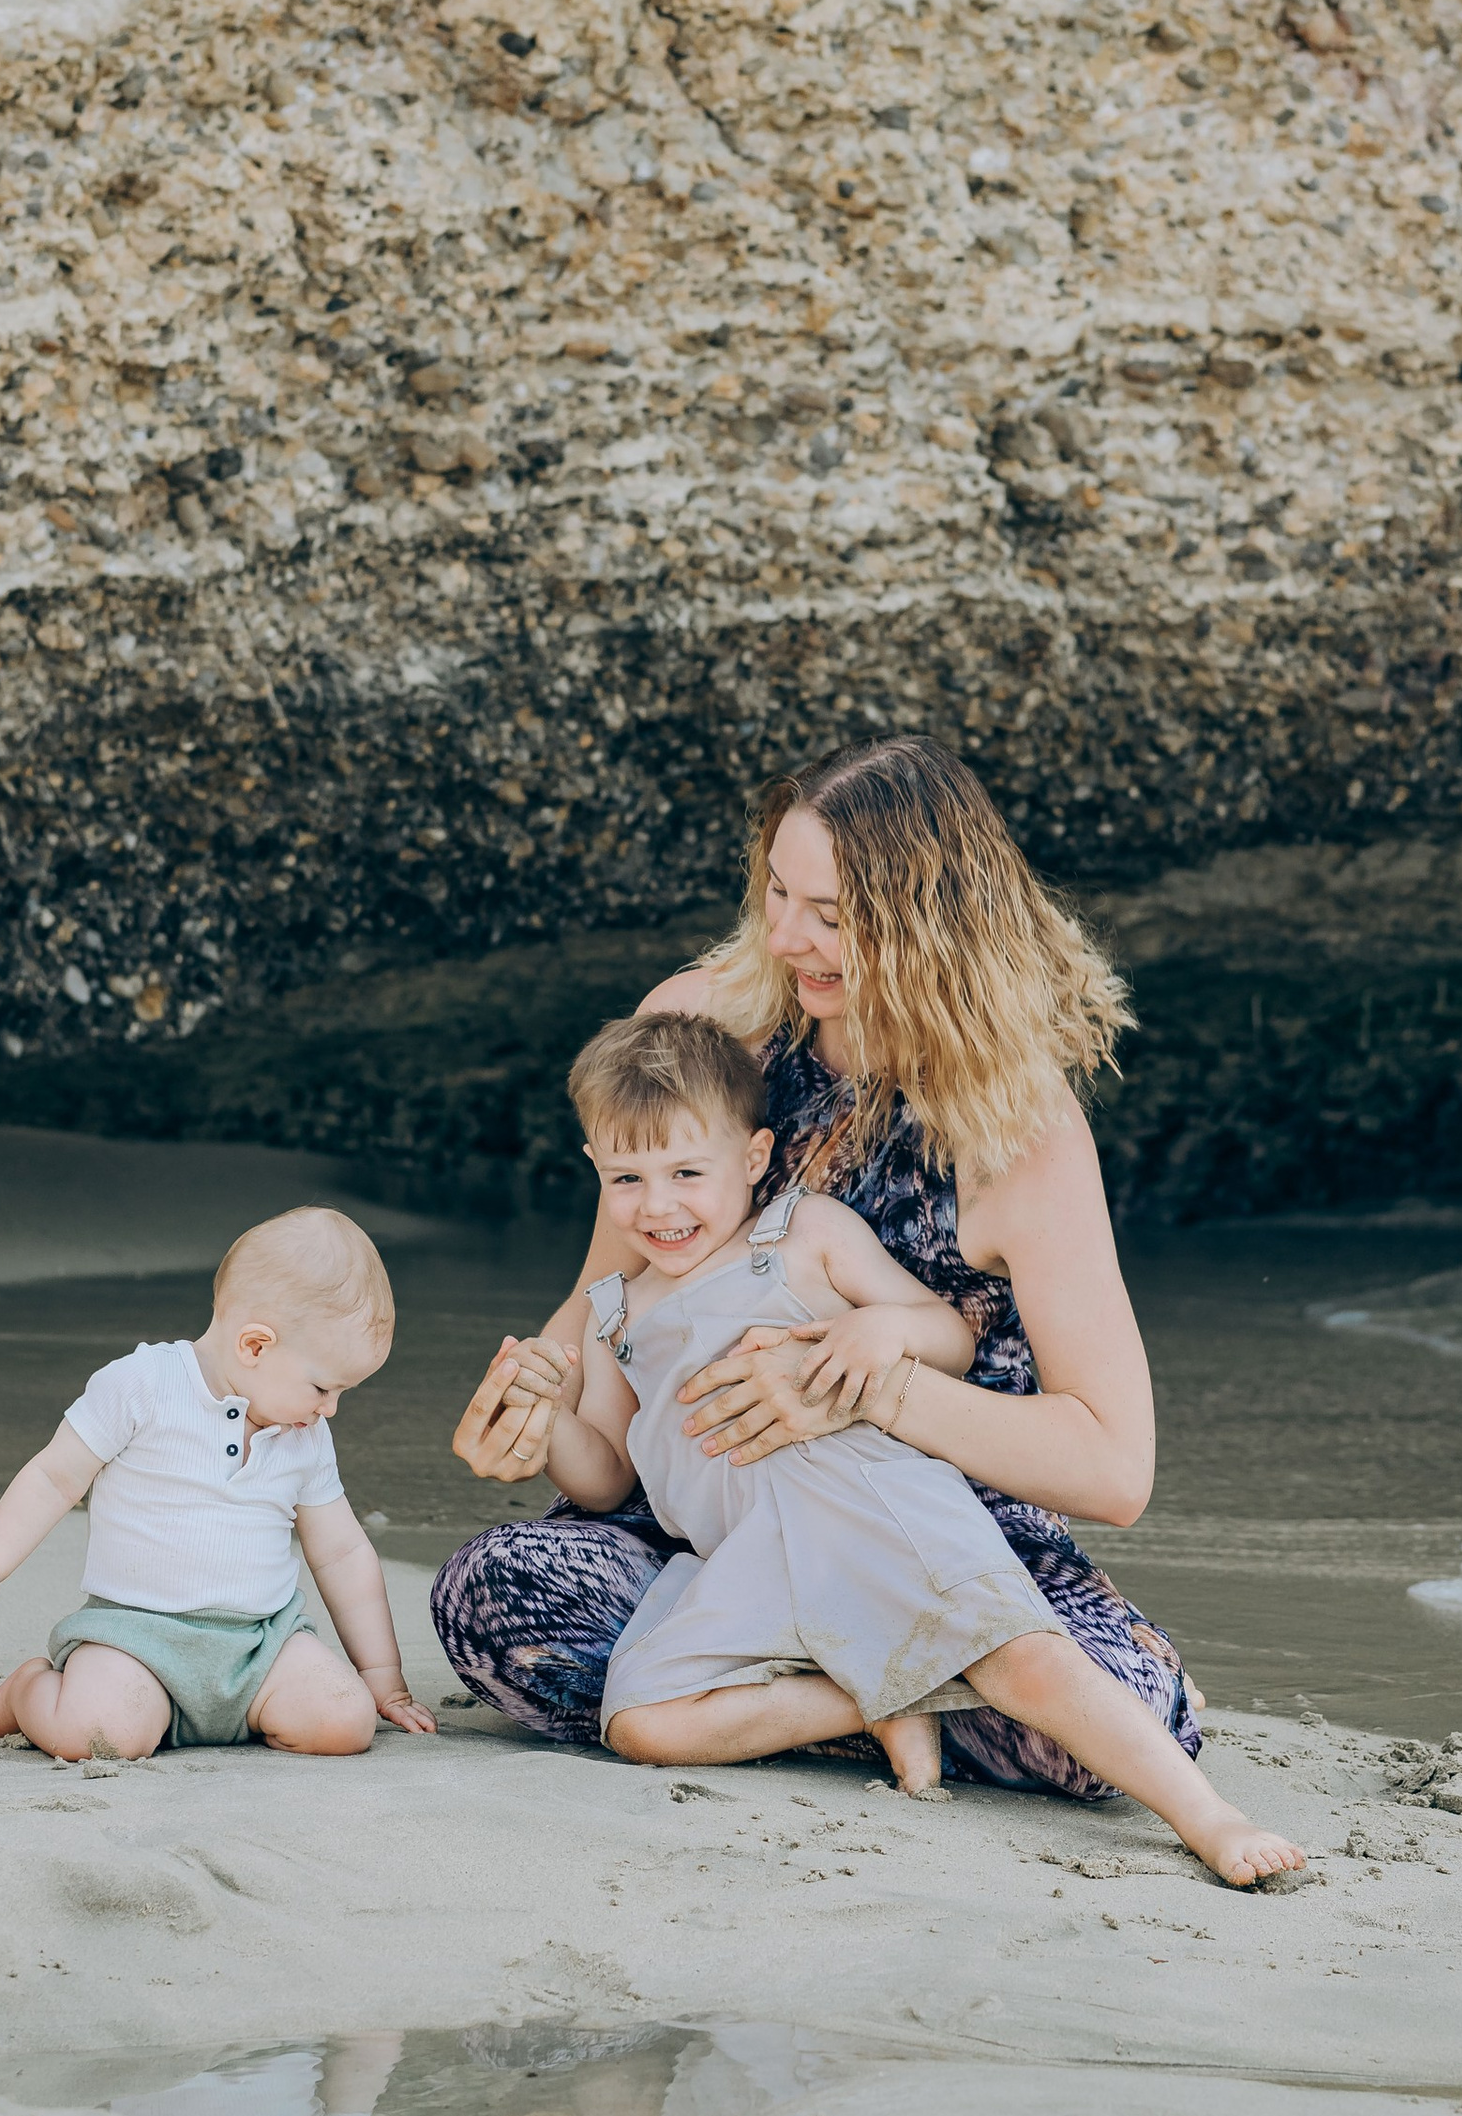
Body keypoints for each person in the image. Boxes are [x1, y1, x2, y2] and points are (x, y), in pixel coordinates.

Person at [434, 736, 1273, 1849]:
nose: (785, 937)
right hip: (701, 1529)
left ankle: (870, 1682)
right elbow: (607, 1288)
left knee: (1126, 1718)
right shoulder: (706, 1021)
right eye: (777, 892)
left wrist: (863, 1390)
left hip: (921, 1530)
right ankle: (897, 1696)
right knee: (493, 1599)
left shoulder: (1015, 1131)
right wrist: (530, 1406)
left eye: (829, 914)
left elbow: (1112, 1468)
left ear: (930, 922)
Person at [538, 1011, 1300, 1880]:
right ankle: (870, 1699)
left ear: (752, 1160)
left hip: (877, 1509)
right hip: (746, 1559)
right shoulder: (614, 1317)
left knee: (1028, 1663)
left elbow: (949, 1334)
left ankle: (1209, 1818)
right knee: (640, 1721)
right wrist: (550, 1426)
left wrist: (875, 1335)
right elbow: (602, 1479)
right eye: (627, 1177)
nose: (659, 1204)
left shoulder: (803, 1236)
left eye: (686, 1172)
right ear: (594, 1169)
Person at [0, 1206, 437, 1761]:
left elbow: (342, 1553)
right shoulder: (141, 1386)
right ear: (255, 1346)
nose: (331, 1409)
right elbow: (54, 1479)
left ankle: (238, 1713)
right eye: (323, 1387)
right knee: (101, 1736)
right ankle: (28, 1689)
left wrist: (382, 1678)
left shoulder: (304, 1435)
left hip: (259, 1645)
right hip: (136, 1640)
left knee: (345, 1721)